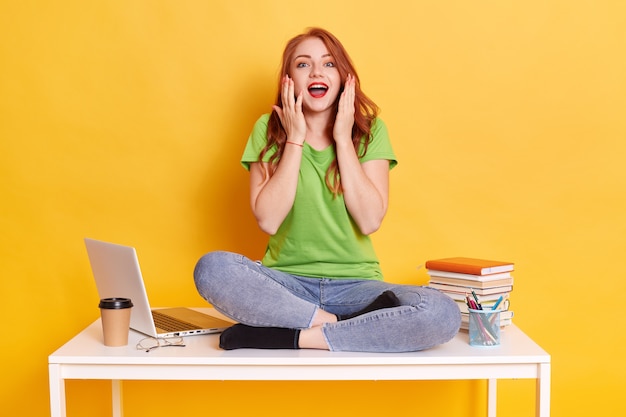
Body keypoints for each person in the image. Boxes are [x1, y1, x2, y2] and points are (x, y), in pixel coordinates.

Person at [194, 27, 460, 352]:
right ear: (288, 80)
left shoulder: (370, 131)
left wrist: (343, 138)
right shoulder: (268, 129)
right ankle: (337, 325)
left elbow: (369, 220)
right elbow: (268, 220)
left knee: (441, 313)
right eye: (303, 64)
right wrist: (294, 138)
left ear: (344, 76)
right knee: (211, 268)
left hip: (359, 287)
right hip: (286, 286)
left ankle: (290, 337)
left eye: (329, 64)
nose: (317, 72)